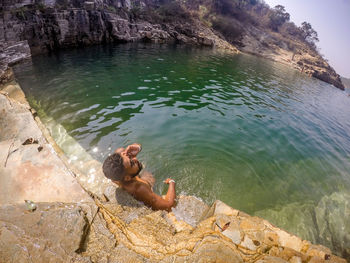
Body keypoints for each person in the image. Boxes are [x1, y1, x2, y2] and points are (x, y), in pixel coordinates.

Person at [102, 143, 176, 211]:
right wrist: (171, 182)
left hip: (139, 176)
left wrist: (138, 147)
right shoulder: (140, 189)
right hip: (148, 182)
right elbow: (169, 205)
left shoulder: (117, 174)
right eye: (132, 163)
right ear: (127, 178)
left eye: (129, 156)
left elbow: (122, 151)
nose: (135, 159)